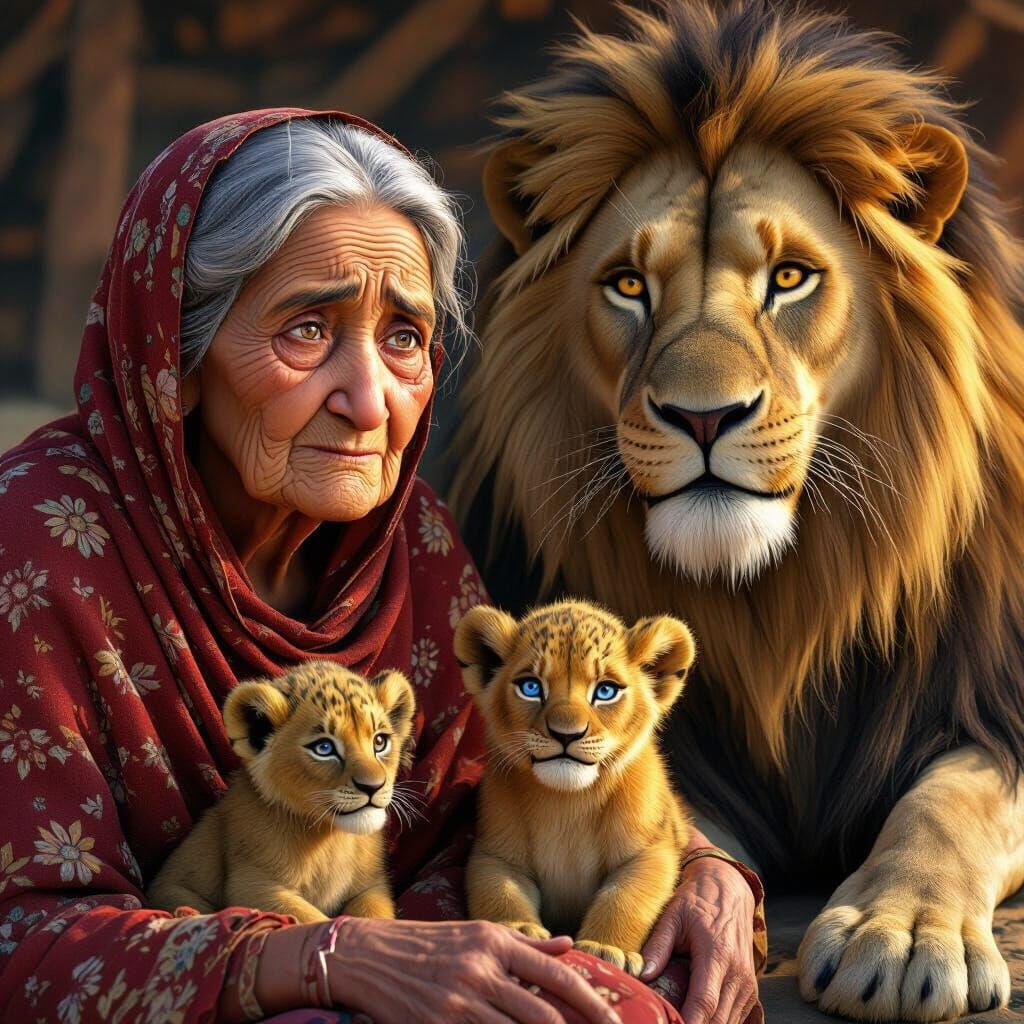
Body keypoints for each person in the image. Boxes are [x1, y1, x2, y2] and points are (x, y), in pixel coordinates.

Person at [0, 109, 764, 1023]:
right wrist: (323, 958)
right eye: (308, 330)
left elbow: (516, 777)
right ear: (177, 354)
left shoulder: (403, 541)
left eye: (405, 337)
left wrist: (706, 869)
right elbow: (24, 939)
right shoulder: (35, 557)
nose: (370, 403)